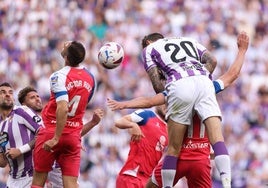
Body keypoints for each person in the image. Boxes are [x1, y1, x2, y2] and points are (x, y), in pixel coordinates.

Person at [108, 31, 249, 188]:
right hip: (201, 159)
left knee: (170, 154)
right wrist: (242, 51)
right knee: (218, 140)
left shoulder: (173, 92)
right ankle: (227, 184)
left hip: (178, 159)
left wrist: (124, 104)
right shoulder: (209, 87)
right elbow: (232, 74)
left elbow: (149, 101)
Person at [31, 41, 98, 188]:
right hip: (73, 137)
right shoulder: (91, 78)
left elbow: (63, 108)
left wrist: (56, 138)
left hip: (51, 132)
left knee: (38, 182)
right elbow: (83, 106)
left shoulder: (58, 76)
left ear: (66, 57)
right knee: (71, 185)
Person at [18, 86, 103, 188]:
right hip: (33, 169)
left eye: (37, 96)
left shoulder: (49, 115)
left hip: (57, 167)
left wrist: (92, 123)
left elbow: (72, 133)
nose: (37, 99)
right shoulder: (21, 120)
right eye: (32, 98)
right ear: (24, 104)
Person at [113, 105, 168, 188]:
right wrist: (133, 125)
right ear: (158, 102)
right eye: (165, 102)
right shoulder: (147, 115)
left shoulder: (170, 129)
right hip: (131, 176)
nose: (167, 106)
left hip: (148, 181)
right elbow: (119, 122)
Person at [0, 82, 43, 188]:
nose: (7, 94)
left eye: (10, 92)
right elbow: (2, 163)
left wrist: (21, 150)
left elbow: (44, 132)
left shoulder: (21, 111)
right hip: (12, 180)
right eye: (3, 92)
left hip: (31, 177)